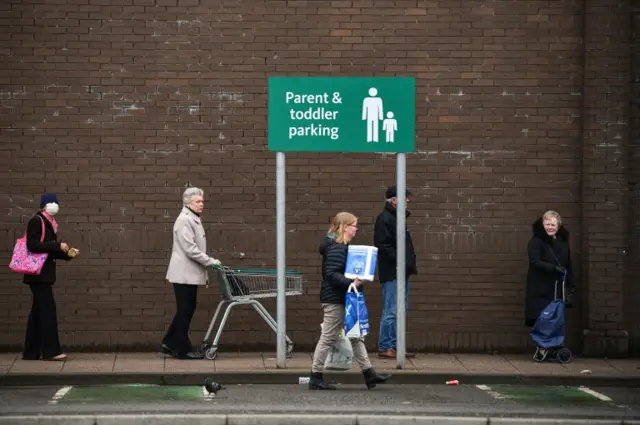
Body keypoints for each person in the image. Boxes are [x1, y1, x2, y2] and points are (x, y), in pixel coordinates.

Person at [308, 212, 391, 390]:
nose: (356, 229)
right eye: (354, 225)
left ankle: (369, 374)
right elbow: (331, 274)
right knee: (328, 337)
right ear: (345, 227)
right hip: (336, 299)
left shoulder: (343, 246)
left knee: (356, 336)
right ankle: (315, 376)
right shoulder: (337, 247)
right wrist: (351, 282)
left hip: (346, 297)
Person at [161, 187, 221, 360]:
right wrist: (211, 262)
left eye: (202, 201)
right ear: (188, 203)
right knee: (185, 309)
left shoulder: (191, 219)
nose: (202, 204)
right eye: (198, 202)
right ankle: (182, 349)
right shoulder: (184, 220)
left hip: (187, 273)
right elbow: (190, 250)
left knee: (185, 309)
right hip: (184, 274)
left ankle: (169, 342)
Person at [23, 193, 79, 361]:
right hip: (37, 275)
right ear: (43, 205)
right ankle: (51, 351)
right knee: (48, 311)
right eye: (50, 202)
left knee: (38, 313)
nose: (54, 204)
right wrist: (57, 245)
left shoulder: (50, 223)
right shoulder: (37, 220)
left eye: (56, 202)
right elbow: (32, 245)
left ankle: (31, 352)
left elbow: (47, 251)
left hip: (43, 275)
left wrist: (67, 254)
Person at [374, 185, 417, 359]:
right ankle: (386, 347)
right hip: (393, 272)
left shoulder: (396, 218)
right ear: (394, 200)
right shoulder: (385, 219)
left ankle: (396, 346)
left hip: (400, 271)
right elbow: (383, 246)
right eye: (405, 197)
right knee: (392, 310)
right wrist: (401, 261)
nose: (408, 200)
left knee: (400, 309)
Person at [525, 210, 575, 335]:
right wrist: (553, 268)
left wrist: (571, 283)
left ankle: (553, 347)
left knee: (555, 318)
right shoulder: (536, 241)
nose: (550, 227)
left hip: (557, 287)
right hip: (540, 287)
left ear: (558, 227)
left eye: (553, 225)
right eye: (547, 224)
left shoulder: (562, 242)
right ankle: (543, 349)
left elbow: (568, 263)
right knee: (542, 318)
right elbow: (535, 261)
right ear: (542, 225)